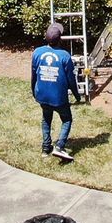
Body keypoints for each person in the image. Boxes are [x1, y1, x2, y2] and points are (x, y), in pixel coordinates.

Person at [31, 20, 75, 160]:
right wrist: (77, 94)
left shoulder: (37, 52)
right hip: (59, 98)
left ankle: (45, 148)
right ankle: (59, 146)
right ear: (59, 39)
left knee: (46, 119)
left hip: (42, 96)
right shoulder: (64, 56)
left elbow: (34, 75)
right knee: (67, 119)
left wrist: (34, 91)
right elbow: (71, 80)